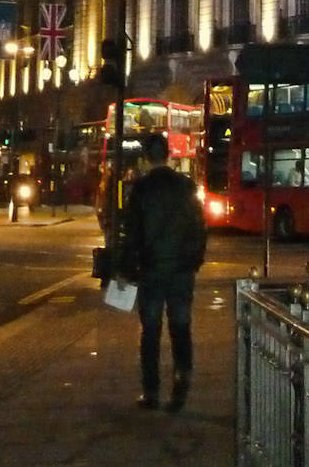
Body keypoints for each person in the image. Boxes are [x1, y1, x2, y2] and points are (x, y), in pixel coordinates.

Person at [118, 131, 206, 413]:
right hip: (181, 271)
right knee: (181, 328)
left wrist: (126, 270)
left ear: (146, 157)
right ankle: (181, 381)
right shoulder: (185, 186)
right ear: (168, 154)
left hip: (152, 270)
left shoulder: (141, 189)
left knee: (151, 332)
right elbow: (199, 229)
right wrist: (194, 262)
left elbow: (130, 235)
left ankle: (152, 392)